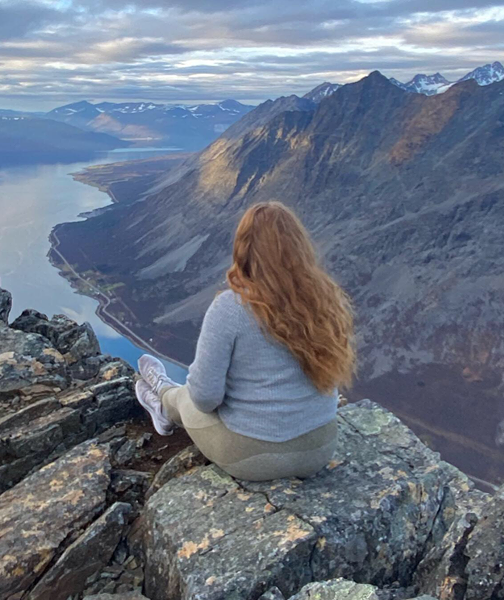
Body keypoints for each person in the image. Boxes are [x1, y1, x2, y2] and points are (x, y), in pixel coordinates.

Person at [133, 201, 355, 481]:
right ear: (300, 248)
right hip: (319, 449)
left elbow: (205, 398)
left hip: (255, 456)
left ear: (244, 250)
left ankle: (163, 400)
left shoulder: (232, 308)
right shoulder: (325, 299)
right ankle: (162, 393)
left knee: (187, 396)